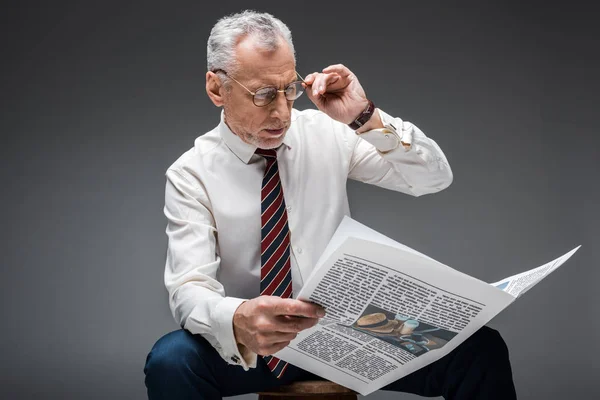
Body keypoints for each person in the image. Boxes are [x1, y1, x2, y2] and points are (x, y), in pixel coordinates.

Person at [144, 10, 517, 400]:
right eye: (263, 95)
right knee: (172, 360)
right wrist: (238, 318)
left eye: (289, 89)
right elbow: (189, 290)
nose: (282, 112)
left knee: (479, 348)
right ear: (217, 88)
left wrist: (363, 116)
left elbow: (432, 177)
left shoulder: (326, 133)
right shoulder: (191, 173)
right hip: (254, 346)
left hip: (352, 331)